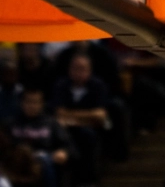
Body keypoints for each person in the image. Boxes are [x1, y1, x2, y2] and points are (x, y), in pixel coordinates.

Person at [51, 53, 108, 186]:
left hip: (92, 130)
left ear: (90, 70)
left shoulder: (98, 85)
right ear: (69, 69)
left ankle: (88, 179)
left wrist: (71, 116)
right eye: (75, 68)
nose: (78, 72)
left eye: (82, 69)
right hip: (66, 130)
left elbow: (100, 114)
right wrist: (87, 115)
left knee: (87, 136)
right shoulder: (61, 85)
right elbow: (59, 112)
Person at [5, 89, 72, 185]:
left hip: (44, 160)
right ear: (21, 103)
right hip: (17, 161)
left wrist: (63, 152)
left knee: (46, 161)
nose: (32, 106)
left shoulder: (51, 123)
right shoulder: (10, 124)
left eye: (35, 102)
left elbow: (67, 145)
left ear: (42, 104)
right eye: (28, 101)